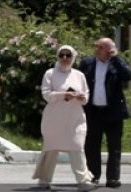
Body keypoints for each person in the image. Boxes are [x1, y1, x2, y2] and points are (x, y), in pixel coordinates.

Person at [32, 45, 94, 191]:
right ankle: (44, 179)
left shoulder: (79, 75)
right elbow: (46, 94)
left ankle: (83, 180)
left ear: (73, 57)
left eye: (68, 55)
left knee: (77, 147)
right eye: (62, 55)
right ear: (57, 57)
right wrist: (63, 95)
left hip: (75, 118)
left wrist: (80, 97)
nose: (65, 58)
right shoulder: (50, 73)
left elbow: (86, 97)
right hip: (54, 118)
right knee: (51, 148)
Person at [80, 37, 131, 188]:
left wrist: (115, 58)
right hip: (93, 111)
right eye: (96, 46)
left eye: (100, 47)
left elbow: (129, 76)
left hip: (113, 112)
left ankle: (113, 178)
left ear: (110, 50)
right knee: (91, 146)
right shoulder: (87, 63)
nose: (97, 49)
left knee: (114, 146)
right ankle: (93, 176)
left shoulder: (116, 64)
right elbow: (78, 80)